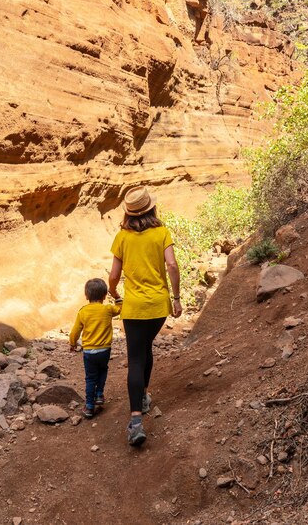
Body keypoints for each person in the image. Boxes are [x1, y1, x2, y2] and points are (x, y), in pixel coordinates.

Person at [109, 186, 182, 446]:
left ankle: (136, 421)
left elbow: (115, 274)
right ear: (151, 208)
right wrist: (176, 298)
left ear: (129, 213)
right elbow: (172, 265)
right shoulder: (162, 233)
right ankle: (143, 396)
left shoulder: (122, 237)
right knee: (145, 348)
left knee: (136, 358)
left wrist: (112, 291)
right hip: (158, 307)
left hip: (135, 307)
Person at [69, 278, 122, 419]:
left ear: (86, 296)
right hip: (104, 350)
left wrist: (72, 343)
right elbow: (120, 309)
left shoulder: (83, 312)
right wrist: (117, 296)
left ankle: (89, 406)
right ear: (104, 296)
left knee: (90, 378)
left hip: (89, 352)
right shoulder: (108, 309)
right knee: (103, 370)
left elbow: (75, 332)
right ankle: (99, 394)